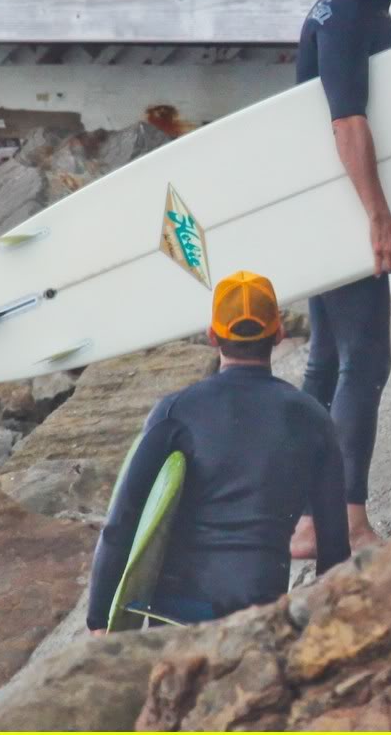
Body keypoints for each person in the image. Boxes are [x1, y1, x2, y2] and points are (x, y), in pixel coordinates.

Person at [86, 270, 350, 633]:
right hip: (260, 610)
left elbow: (122, 520)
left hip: (175, 615)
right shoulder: (313, 419)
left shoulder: (175, 412)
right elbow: (334, 542)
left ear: (212, 335)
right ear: (278, 333)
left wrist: (99, 617)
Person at [289, 0, 391, 558]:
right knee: (363, 362)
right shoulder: (349, 16)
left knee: (325, 363)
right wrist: (379, 219)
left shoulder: (350, 4)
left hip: (325, 203)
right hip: (348, 205)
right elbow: (346, 121)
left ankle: (303, 518)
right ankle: (342, 519)